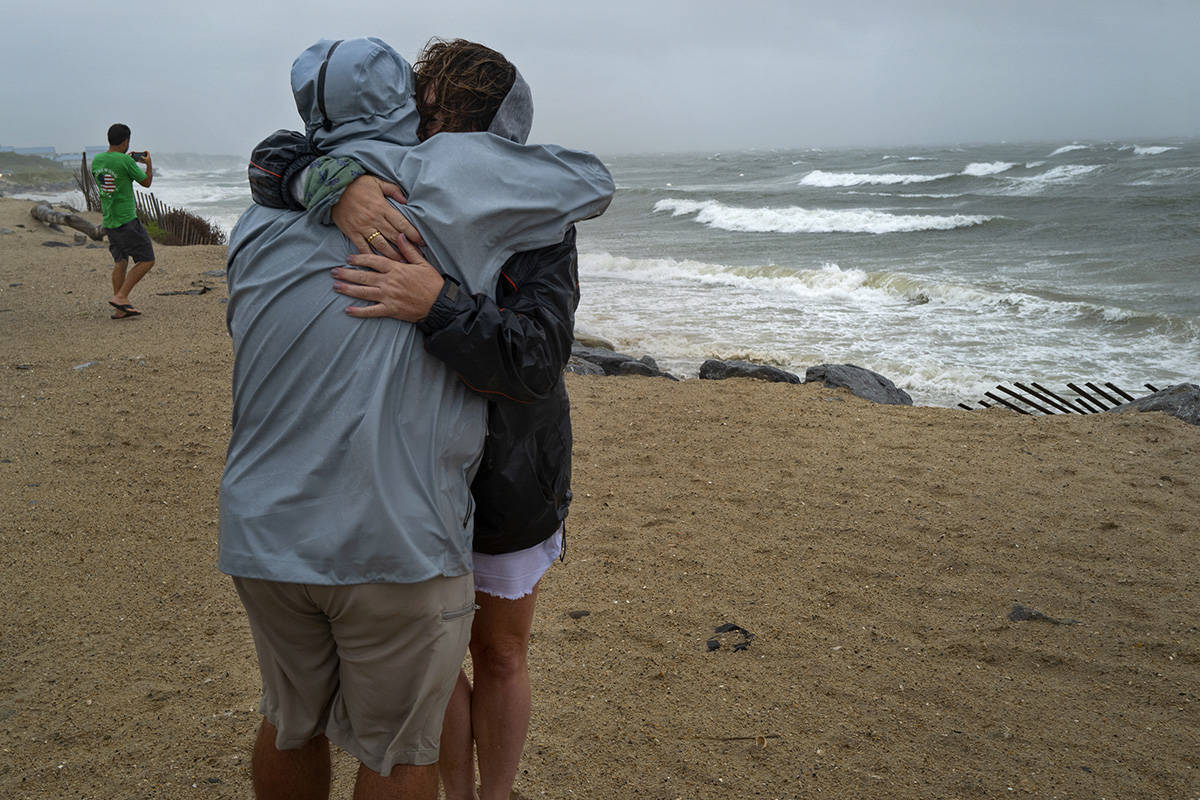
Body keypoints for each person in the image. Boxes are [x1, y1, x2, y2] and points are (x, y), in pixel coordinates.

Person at [221, 37, 611, 800]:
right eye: (423, 107)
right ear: (405, 109)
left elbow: (536, 359)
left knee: (297, 719)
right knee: (402, 746)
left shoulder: (252, 227)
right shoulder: (411, 178)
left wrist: (439, 303)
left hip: (435, 489)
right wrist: (328, 180)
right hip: (402, 521)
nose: (432, 128)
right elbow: (593, 178)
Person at [90, 123, 154, 319]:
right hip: (126, 220)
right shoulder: (125, 162)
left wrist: (124, 161)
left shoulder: (97, 160)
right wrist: (148, 164)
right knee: (147, 259)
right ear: (126, 141)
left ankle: (119, 309)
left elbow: (111, 176)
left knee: (121, 261)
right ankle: (121, 297)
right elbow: (146, 182)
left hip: (109, 221)